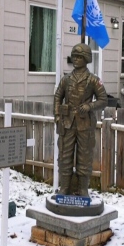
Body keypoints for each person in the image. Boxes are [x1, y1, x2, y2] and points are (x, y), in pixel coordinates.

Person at [54, 43, 107, 197]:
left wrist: (90, 106)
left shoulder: (93, 80)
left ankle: (83, 189)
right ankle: (65, 188)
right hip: (67, 123)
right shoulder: (66, 79)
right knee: (65, 155)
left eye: (79, 57)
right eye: (74, 56)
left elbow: (103, 100)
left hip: (85, 124)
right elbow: (58, 97)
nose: (76, 59)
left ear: (86, 59)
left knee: (84, 156)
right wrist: (57, 116)